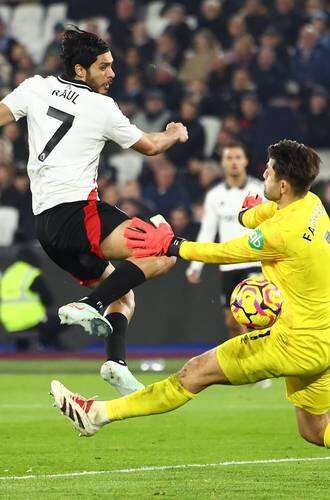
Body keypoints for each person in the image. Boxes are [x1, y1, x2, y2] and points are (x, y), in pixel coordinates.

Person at [51, 140, 330, 449]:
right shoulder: (311, 204)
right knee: (314, 430)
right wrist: (245, 216)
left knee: (193, 373)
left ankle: (96, 414)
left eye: (269, 171)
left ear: (284, 184)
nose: (263, 173)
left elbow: (224, 252)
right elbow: (262, 214)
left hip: (296, 343)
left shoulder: (280, 234)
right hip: (324, 338)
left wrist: (172, 245)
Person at [0, 27, 188, 395]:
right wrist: (174, 133)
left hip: (48, 228)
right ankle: (90, 305)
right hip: (79, 214)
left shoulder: (35, 87)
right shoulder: (101, 107)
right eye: (104, 67)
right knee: (165, 252)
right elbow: (150, 146)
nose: (112, 74)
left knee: (125, 295)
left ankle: (115, 363)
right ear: (81, 71)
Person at [186, 143, 263, 338]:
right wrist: (195, 266)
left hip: (254, 262)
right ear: (222, 163)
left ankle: (258, 365)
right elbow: (208, 232)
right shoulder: (214, 195)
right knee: (231, 322)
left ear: (245, 161)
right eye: (229, 158)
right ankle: (241, 366)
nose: (234, 162)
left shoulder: (259, 191)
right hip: (228, 265)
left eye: (238, 157)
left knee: (255, 319)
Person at [0, 245, 63, 350]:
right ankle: (51, 349)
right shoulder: (31, 273)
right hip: (32, 321)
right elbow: (49, 300)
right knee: (66, 320)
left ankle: (23, 351)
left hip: (9, 323)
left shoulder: (8, 274)